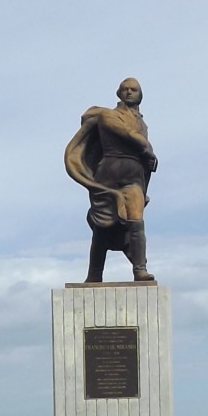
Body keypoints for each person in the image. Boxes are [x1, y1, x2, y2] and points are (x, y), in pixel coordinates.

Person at [64, 77, 158, 282]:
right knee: (103, 226)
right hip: (109, 175)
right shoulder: (107, 115)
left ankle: (139, 269)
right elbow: (126, 134)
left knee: (135, 220)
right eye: (125, 89)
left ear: (141, 95)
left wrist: (147, 164)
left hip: (134, 177)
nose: (129, 92)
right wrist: (146, 146)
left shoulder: (143, 123)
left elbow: (142, 149)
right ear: (119, 93)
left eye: (134, 89)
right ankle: (94, 275)